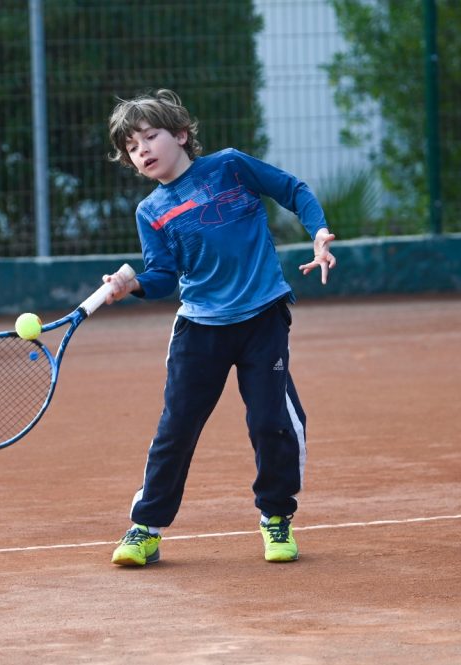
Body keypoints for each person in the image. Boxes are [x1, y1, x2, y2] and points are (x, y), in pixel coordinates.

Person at [101, 89, 336, 566]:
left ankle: (276, 516)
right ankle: (145, 528)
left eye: (151, 136)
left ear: (182, 135)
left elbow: (293, 189)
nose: (142, 150)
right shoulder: (151, 212)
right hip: (199, 331)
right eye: (131, 146)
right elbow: (163, 275)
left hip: (262, 319)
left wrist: (318, 231)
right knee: (177, 428)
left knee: (272, 421)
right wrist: (133, 286)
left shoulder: (229, 166)